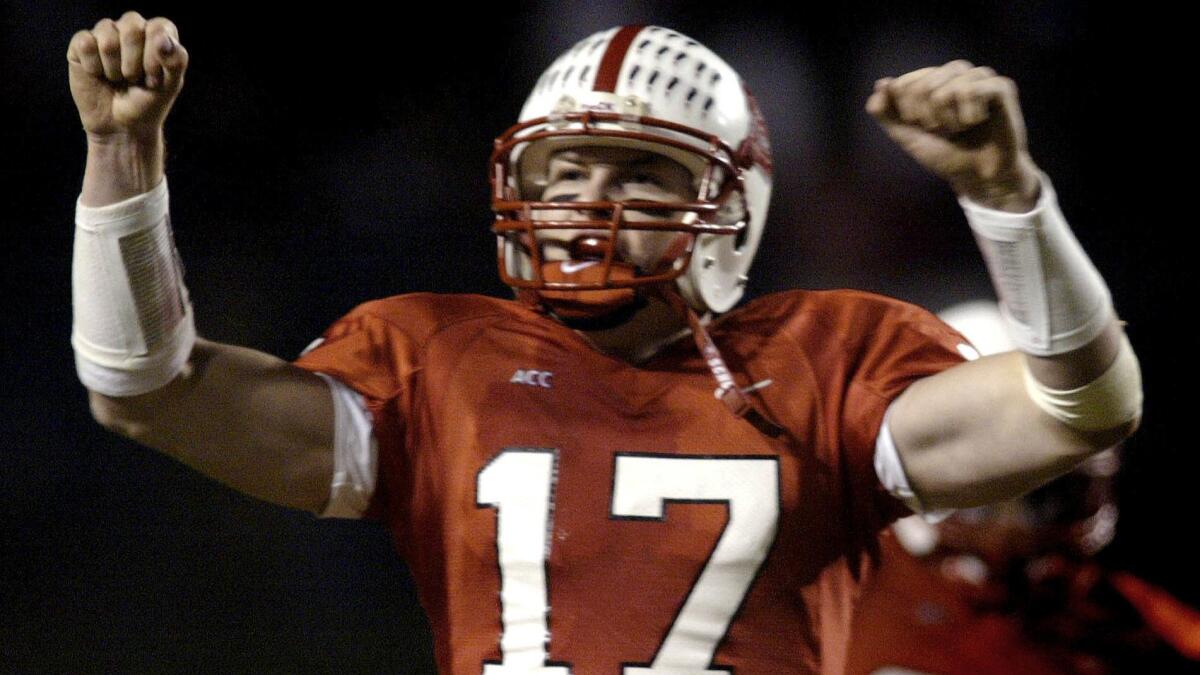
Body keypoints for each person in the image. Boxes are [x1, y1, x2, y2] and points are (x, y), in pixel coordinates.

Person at [68, 13, 1142, 674]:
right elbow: (143, 392)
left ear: (728, 209)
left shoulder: (827, 358)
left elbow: (1081, 405)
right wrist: (123, 157)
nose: (588, 202)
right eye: (563, 173)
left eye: (638, 173)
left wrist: (1008, 200)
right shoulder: (437, 357)